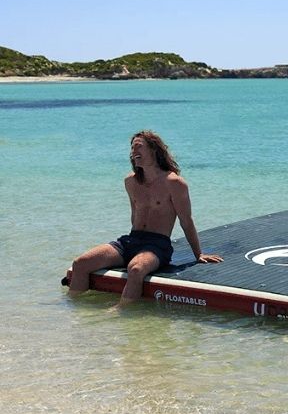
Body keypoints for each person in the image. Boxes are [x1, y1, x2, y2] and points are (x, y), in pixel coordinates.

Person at [68, 130, 223, 307]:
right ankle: (72, 307)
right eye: (132, 148)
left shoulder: (174, 183)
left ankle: (119, 313)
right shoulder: (130, 182)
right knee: (80, 263)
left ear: (154, 150)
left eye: (138, 147)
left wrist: (199, 254)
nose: (134, 152)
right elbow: (134, 216)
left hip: (157, 245)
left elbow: (186, 221)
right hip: (130, 241)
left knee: (135, 269)